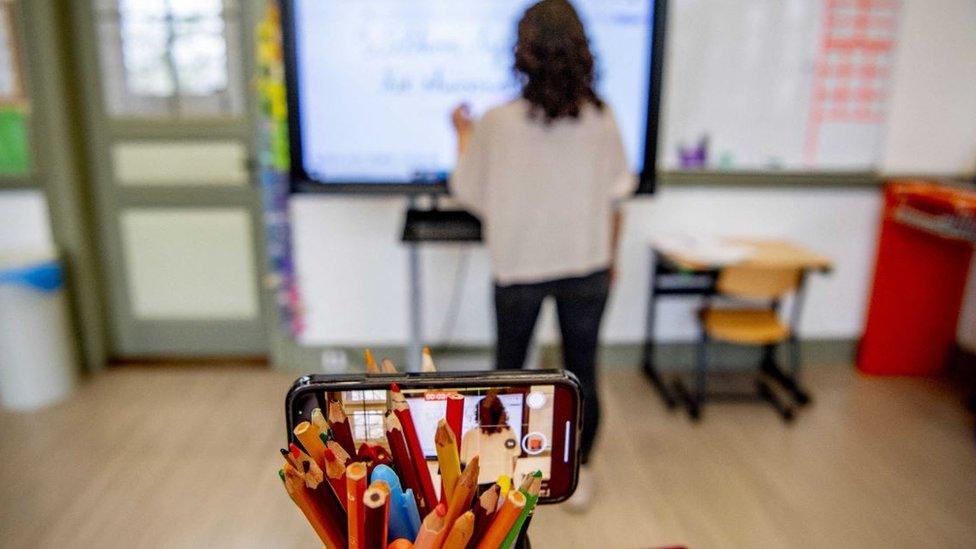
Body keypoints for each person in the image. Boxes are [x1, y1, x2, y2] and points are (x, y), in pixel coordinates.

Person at [449, 0, 635, 511]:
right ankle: (580, 474)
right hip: (588, 266)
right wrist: (611, 258)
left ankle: (500, 475)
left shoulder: (495, 122)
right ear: (581, 50)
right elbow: (617, 198)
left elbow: (469, 192)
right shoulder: (602, 118)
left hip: (517, 268)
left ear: (523, 52)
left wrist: (461, 136)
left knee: (507, 370)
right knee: (582, 373)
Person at [459, 391, 520, 486]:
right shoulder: (509, 432)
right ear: (500, 412)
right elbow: (514, 460)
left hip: (478, 484)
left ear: (478, 414)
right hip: (504, 482)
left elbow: (463, 463)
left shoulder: (470, 435)